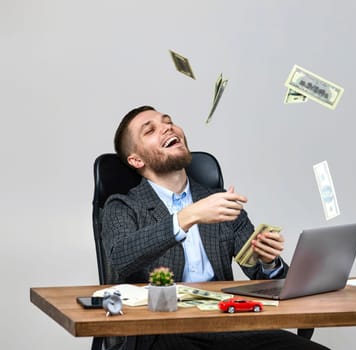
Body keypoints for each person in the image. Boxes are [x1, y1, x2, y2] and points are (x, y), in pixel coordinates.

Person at [101, 105, 330, 350]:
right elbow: (120, 257)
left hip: (227, 325)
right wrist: (188, 216)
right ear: (136, 159)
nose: (167, 126)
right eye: (150, 130)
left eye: (168, 121)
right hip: (162, 332)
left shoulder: (219, 200)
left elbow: (263, 278)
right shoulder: (122, 206)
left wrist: (269, 263)